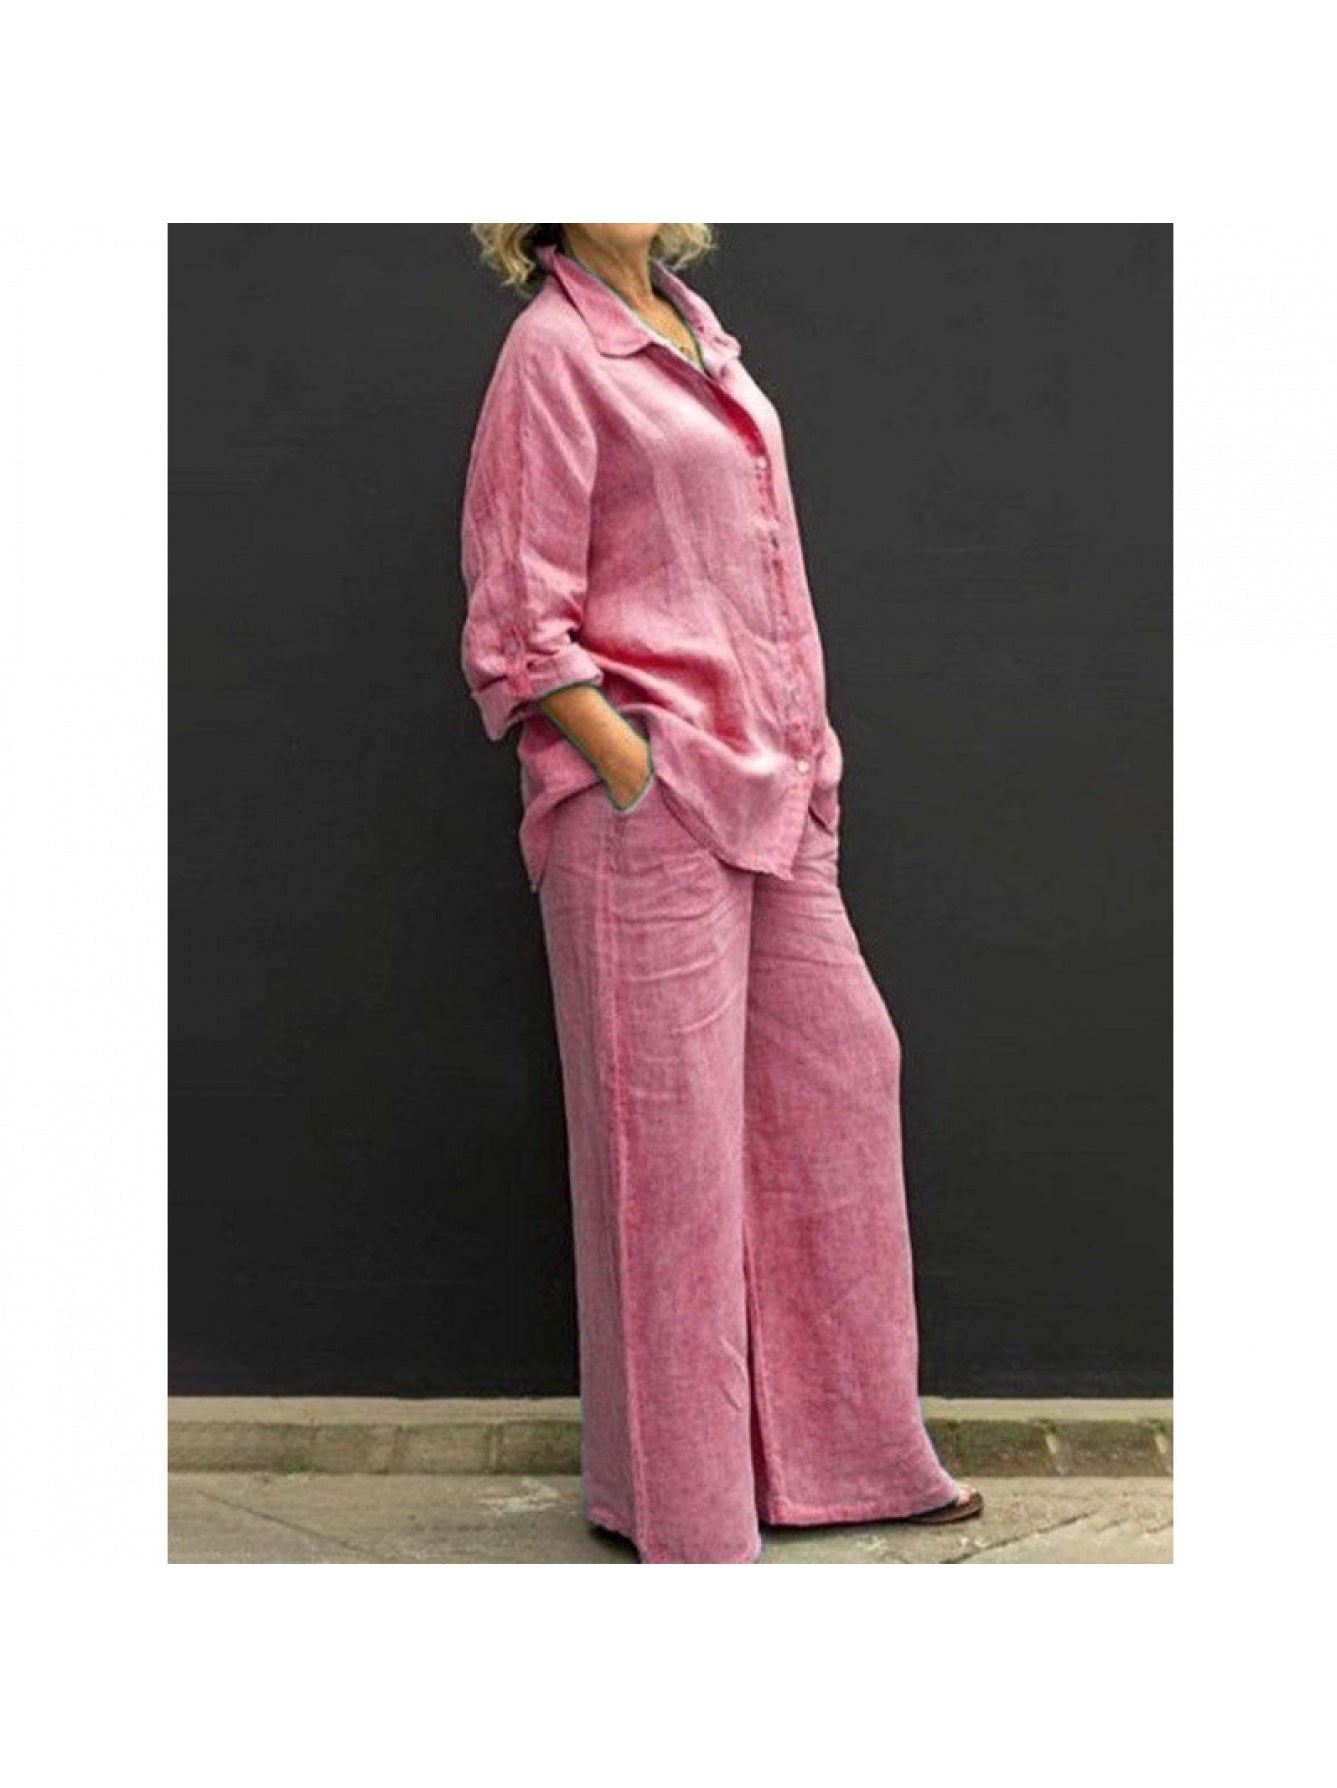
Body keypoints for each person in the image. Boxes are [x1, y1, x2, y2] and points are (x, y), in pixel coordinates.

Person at [459, 223, 982, 1564]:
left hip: (777, 787)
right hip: (651, 798)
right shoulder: (553, 351)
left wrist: (809, 752)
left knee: (839, 1083)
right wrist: (629, 762)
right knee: (667, 1162)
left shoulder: (702, 337)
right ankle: (686, 1511)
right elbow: (516, 618)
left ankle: (845, 1461)